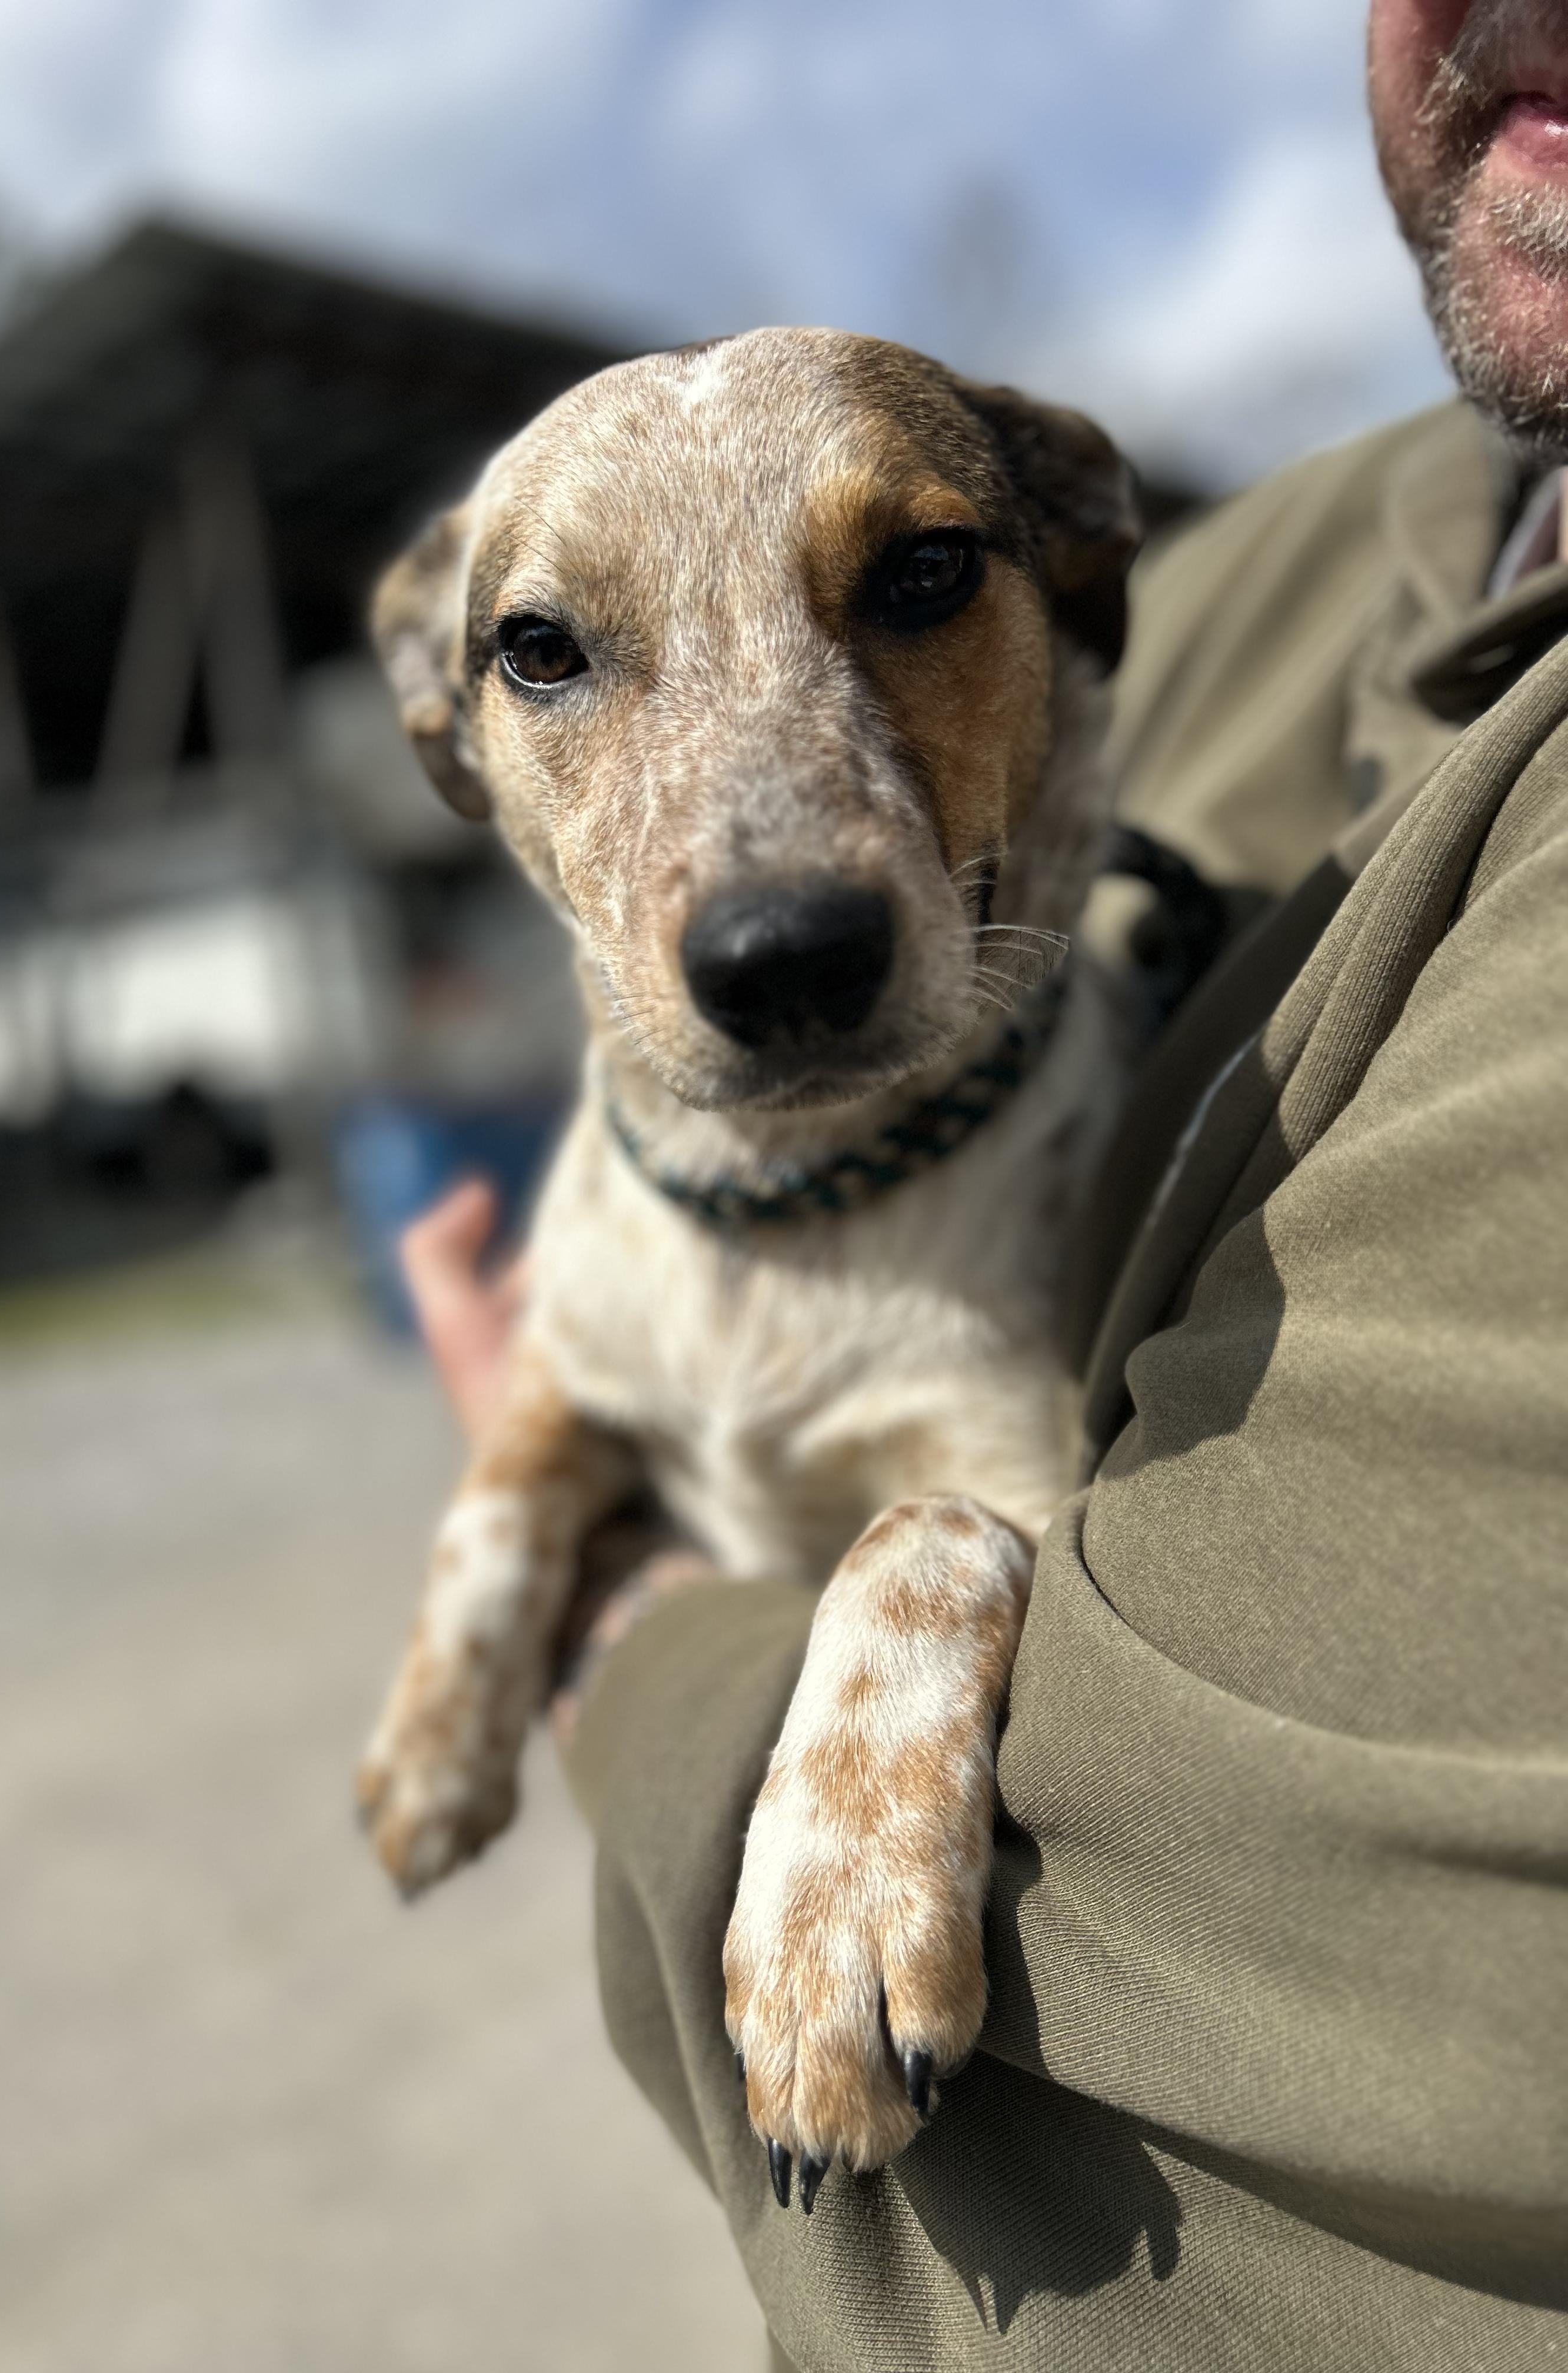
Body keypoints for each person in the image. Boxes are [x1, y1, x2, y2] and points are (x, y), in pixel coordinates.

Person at [400, 4, 1568, 2364]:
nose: (764, 881)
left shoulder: (1146, 616)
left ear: (1057, 584)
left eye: (914, 588)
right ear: (459, 737)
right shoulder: (1320, 541)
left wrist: (631, 1654)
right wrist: (521, 1503)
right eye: (557, 660)